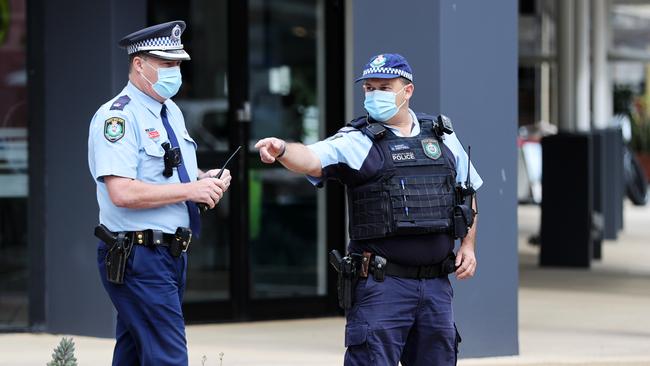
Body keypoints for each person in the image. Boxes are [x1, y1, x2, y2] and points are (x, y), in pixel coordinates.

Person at [255, 53, 482, 365]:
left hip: (436, 287)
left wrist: (468, 245)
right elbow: (311, 157)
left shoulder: (441, 136)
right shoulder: (358, 141)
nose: (375, 94)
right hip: (382, 286)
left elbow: (466, 191)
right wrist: (282, 149)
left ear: (408, 91)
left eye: (385, 87)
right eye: (369, 88)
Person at [87, 20, 231, 366]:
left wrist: (204, 178)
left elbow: (168, 170)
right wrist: (191, 189)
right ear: (139, 64)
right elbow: (121, 191)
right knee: (168, 355)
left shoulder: (170, 112)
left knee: (134, 353)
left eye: (178, 64)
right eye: (167, 64)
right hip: (138, 253)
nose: (175, 72)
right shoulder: (117, 118)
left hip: (168, 254)